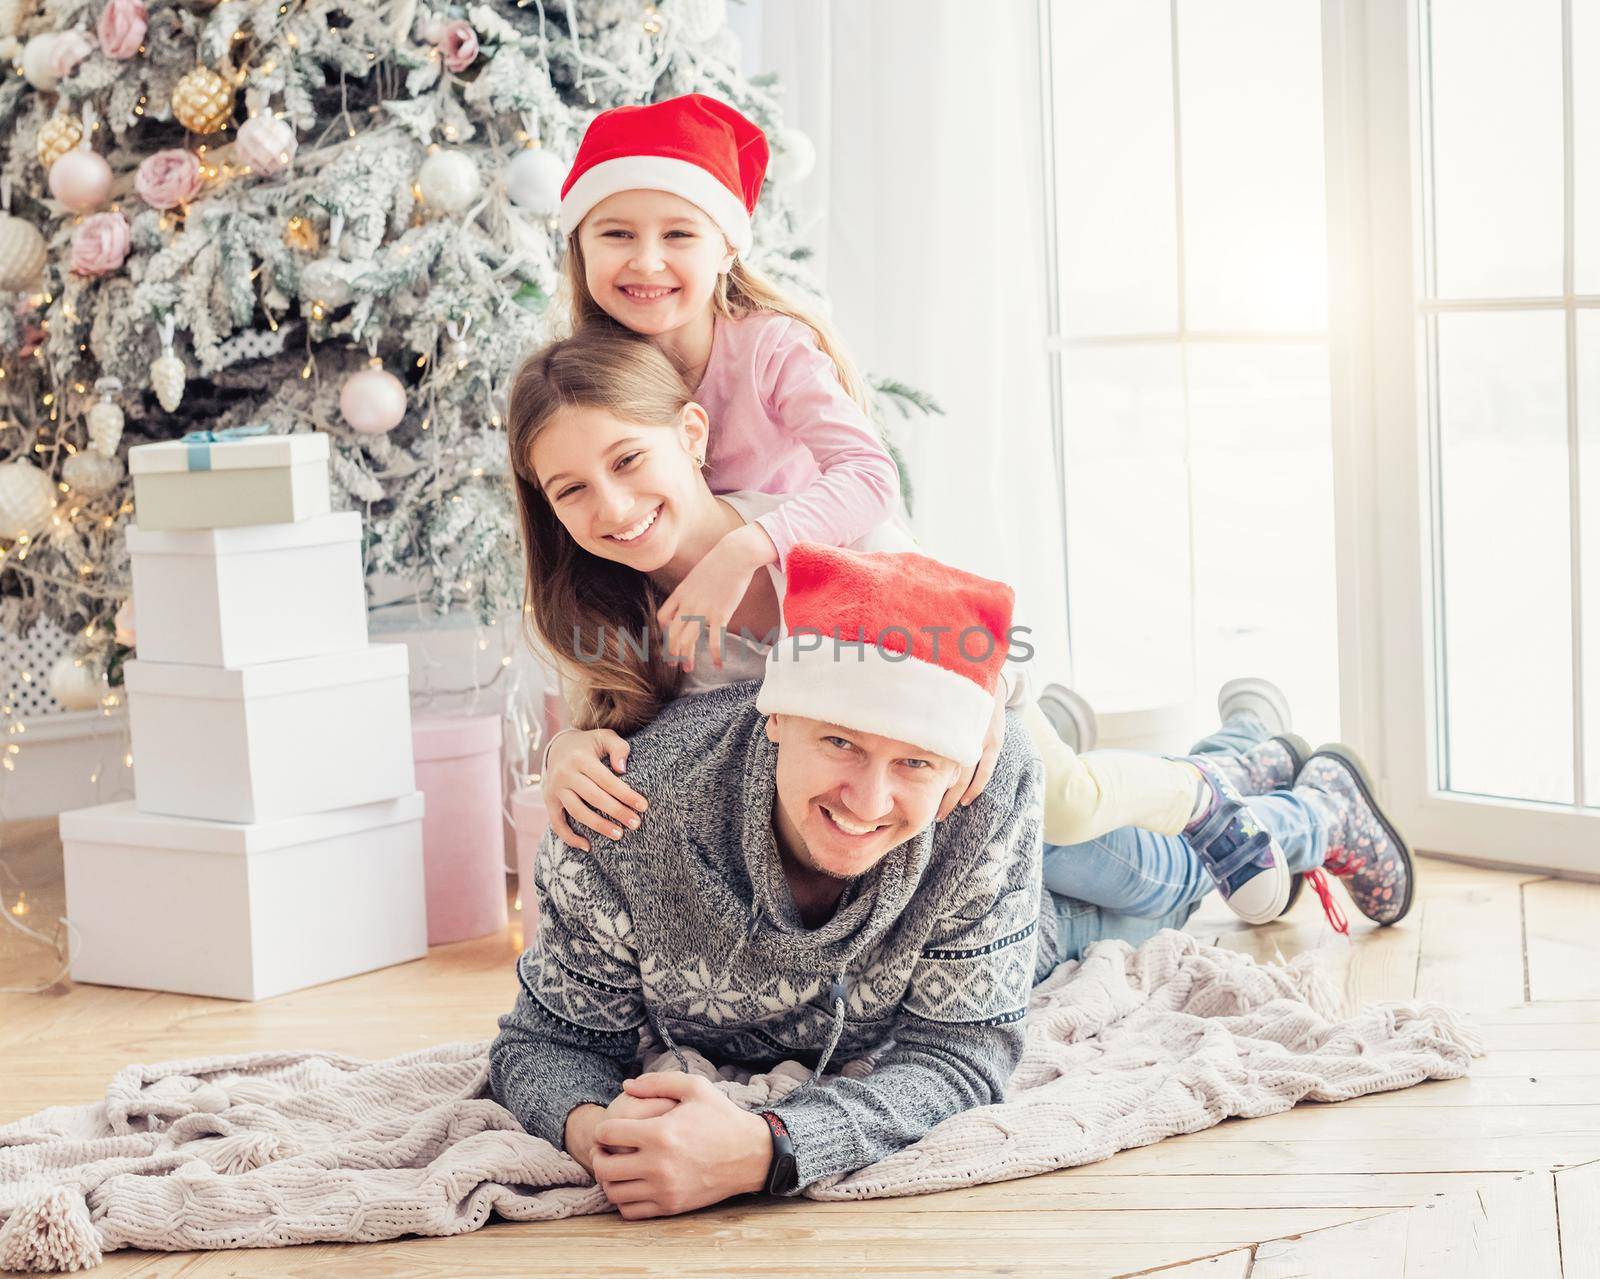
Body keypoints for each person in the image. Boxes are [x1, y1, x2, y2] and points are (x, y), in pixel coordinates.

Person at [488, 543, 1415, 1221]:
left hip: (998, 914)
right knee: (1125, 883)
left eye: (914, 762)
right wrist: (601, 1136)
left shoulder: (990, 777)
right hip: (954, 903)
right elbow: (545, 1040)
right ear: (779, 720)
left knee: (1156, 893)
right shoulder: (628, 816)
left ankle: (1289, 792)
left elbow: (966, 1047)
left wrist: (769, 1149)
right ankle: (1247, 750)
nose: (865, 799)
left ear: (960, 768)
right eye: (839, 742)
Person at [510, 326, 1293, 923]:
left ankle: (1214, 789)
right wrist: (568, 749)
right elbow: (612, 723)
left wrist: (985, 698)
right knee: (1065, 900)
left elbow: (964, 630)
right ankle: (1244, 760)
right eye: (570, 489)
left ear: (691, 435)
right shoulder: (604, 610)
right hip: (864, 818)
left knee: (1074, 818)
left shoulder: (823, 536)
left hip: (962, 726)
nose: (610, 507)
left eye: (627, 461)